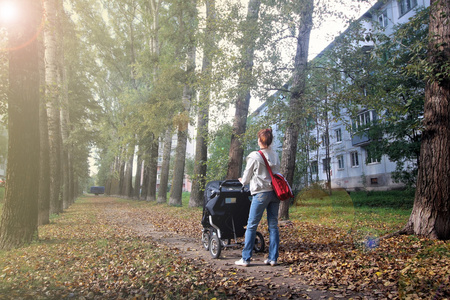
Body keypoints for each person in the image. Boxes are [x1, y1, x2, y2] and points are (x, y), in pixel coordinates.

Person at [235, 128, 280, 267]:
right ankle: (273, 258)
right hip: (274, 193)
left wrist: (242, 180)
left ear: (260, 140)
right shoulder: (275, 155)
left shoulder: (255, 156)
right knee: (273, 226)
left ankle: (246, 258)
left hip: (261, 193)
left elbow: (247, 176)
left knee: (251, 225)